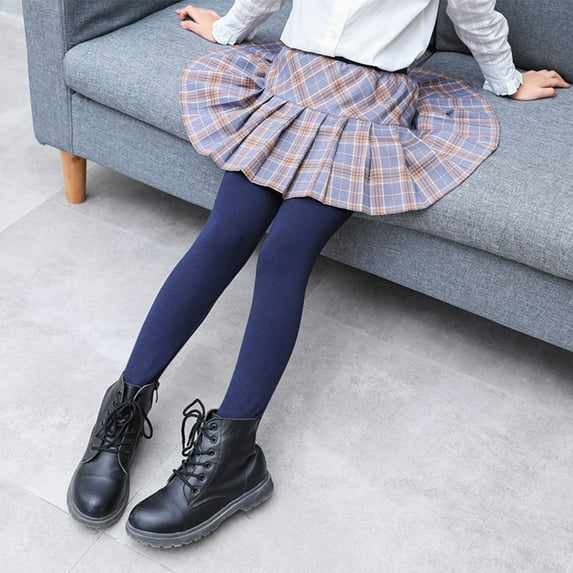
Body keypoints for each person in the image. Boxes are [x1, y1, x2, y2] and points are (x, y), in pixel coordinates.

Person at [66, 0, 569, 548]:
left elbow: (473, 12)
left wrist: (506, 79)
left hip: (369, 102)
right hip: (293, 80)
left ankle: (233, 459)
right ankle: (125, 404)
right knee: (226, 232)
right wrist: (230, 28)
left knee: (285, 252)